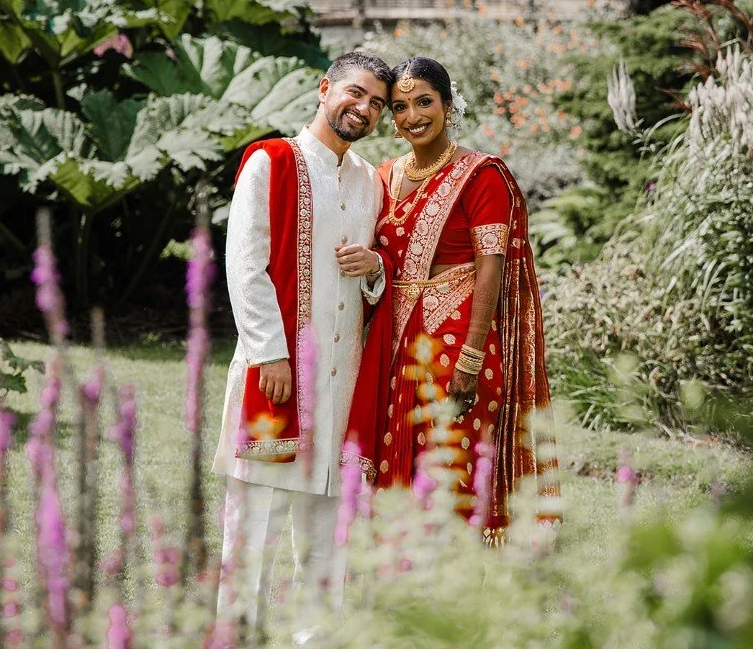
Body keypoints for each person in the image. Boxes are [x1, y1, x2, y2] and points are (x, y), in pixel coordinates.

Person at [212, 51, 393, 632]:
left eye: (377, 104)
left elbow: (376, 283)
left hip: (342, 384)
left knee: (325, 543)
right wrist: (270, 352)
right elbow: (245, 266)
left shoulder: (369, 180)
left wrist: (374, 267)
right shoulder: (271, 162)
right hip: (278, 377)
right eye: (356, 94)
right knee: (251, 535)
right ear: (325, 88)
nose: (364, 109)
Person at [349, 56, 560, 547]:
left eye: (424, 102)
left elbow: (493, 266)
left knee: (449, 466)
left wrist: (470, 353)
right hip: (393, 340)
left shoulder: (481, 175)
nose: (412, 116)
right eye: (399, 107)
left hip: (457, 339)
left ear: (448, 105)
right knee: (393, 464)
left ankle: (456, 600)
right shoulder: (384, 176)